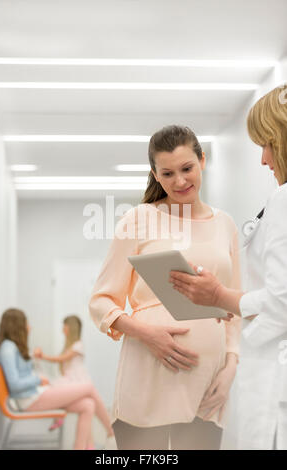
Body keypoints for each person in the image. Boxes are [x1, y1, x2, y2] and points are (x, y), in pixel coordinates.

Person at [88, 125, 241, 450]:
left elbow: (236, 307)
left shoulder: (225, 224)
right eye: (168, 173)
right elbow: (101, 301)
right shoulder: (138, 218)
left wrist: (230, 368)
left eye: (187, 168)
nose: (180, 181)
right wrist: (148, 335)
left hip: (208, 385)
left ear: (202, 160)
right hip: (148, 374)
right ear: (155, 175)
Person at [168, 85, 287, 450]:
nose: (264, 159)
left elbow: (282, 305)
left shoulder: (284, 199)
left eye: (267, 143)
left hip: (270, 381)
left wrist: (221, 296)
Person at [0, 308, 115, 450]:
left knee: (88, 405)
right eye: (26, 323)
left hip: (34, 395)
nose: (29, 327)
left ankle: (83, 447)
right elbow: (14, 384)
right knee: (89, 388)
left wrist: (37, 371)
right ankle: (111, 431)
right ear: (17, 326)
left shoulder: (11, 347)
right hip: (30, 400)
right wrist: (38, 380)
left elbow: (21, 374)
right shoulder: (8, 349)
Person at [34, 315, 97, 448]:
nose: (62, 329)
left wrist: (43, 356)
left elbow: (61, 359)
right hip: (70, 380)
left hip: (77, 381)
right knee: (87, 409)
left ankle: (96, 440)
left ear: (70, 328)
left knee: (87, 408)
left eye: (64, 326)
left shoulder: (77, 345)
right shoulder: (69, 345)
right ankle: (90, 445)